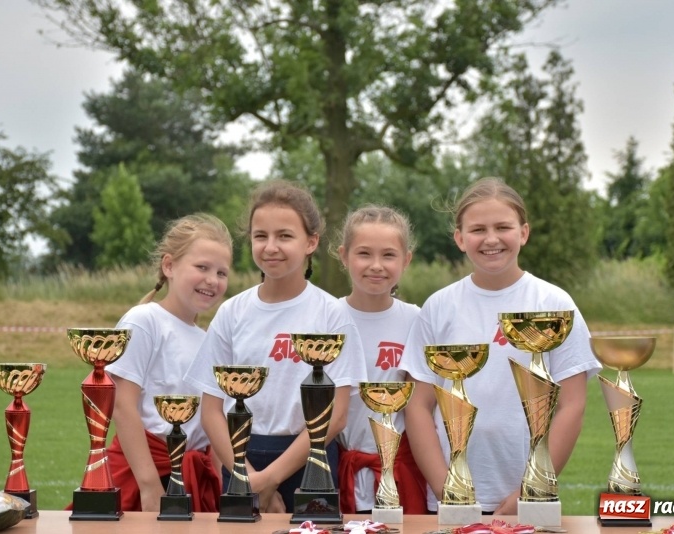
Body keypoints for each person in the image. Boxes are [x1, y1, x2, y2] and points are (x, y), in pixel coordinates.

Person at [399, 177, 601, 515]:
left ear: (523, 232)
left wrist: (532, 488)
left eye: (503, 227)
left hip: (527, 499)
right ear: (460, 239)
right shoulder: (438, 307)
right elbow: (418, 406)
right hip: (451, 498)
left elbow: (572, 405)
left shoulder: (554, 303)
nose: (491, 239)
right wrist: (446, 488)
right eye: (478, 229)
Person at [184, 179, 368, 513]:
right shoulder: (232, 312)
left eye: (285, 236)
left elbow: (337, 415)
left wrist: (270, 479)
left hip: (311, 460)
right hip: (241, 462)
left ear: (311, 241)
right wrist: (247, 477)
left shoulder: (332, 314)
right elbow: (211, 410)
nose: (271, 247)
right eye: (260, 236)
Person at [105, 213, 232, 512]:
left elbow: (210, 424)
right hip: (143, 475)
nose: (212, 280)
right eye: (202, 267)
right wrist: (149, 485)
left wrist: (223, 488)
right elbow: (122, 406)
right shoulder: (144, 320)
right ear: (169, 265)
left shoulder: (209, 339)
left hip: (194, 479)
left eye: (222, 272)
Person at [333, 205, 428, 515]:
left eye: (388, 255)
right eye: (364, 254)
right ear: (344, 255)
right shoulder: (325, 319)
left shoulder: (417, 320)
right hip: (340, 468)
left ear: (406, 260)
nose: (376, 266)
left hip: (401, 473)